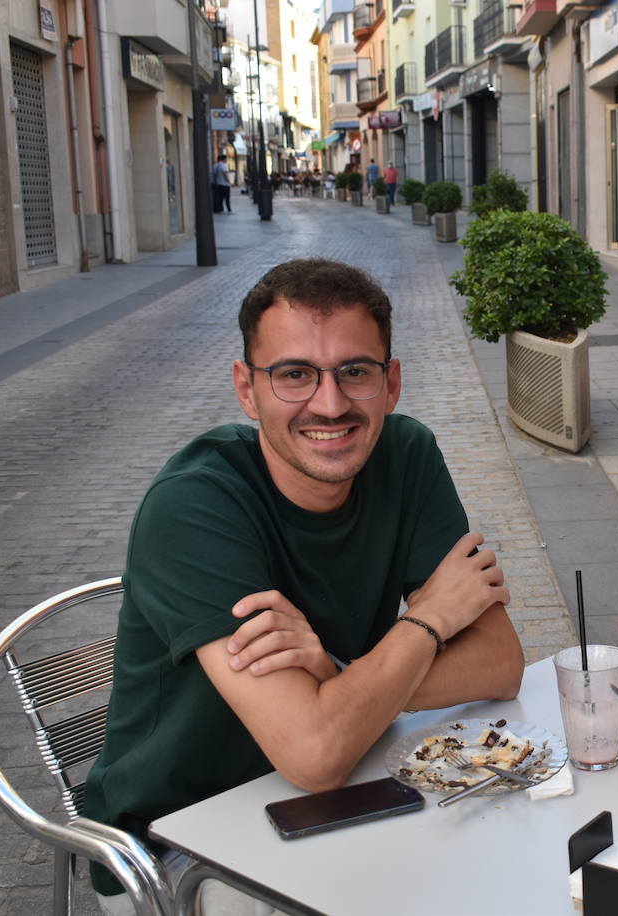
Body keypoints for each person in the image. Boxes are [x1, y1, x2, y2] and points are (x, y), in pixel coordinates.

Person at [82, 259, 525, 913]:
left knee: (510, 869)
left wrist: (337, 680)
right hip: (177, 845)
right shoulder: (194, 506)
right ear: (247, 389)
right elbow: (315, 754)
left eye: (356, 371)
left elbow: (499, 663)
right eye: (294, 374)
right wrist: (427, 622)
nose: (330, 404)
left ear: (391, 383)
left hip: (345, 794)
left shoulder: (405, 456)